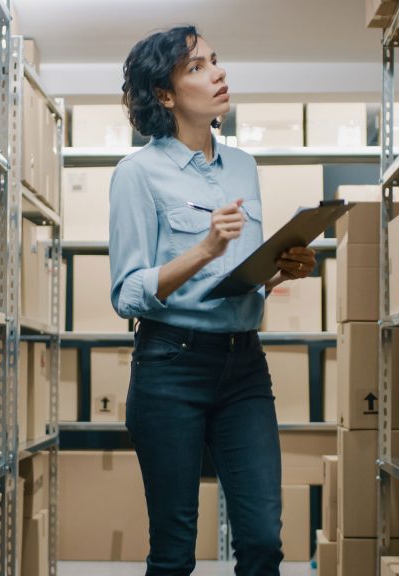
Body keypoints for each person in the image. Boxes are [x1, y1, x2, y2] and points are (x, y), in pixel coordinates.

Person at [108, 25, 317, 576]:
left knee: (262, 542)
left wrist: (280, 269)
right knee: (175, 553)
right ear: (165, 95)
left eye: (215, 61)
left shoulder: (243, 166)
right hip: (170, 367)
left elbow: (238, 274)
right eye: (197, 67)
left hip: (244, 364)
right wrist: (203, 249)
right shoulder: (137, 174)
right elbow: (127, 293)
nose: (218, 72)